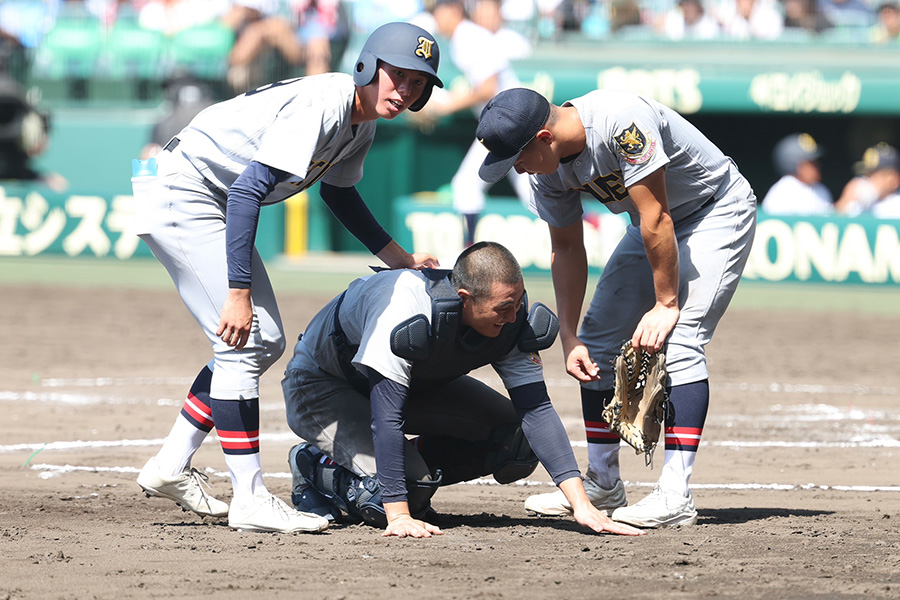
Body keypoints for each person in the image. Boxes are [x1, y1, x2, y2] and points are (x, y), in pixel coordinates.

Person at [134, 21, 444, 534]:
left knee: (265, 339)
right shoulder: (326, 103)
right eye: (400, 75)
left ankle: (169, 466)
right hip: (184, 192)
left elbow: (338, 194)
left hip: (207, 197)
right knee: (245, 338)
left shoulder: (360, 123)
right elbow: (247, 191)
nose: (407, 90)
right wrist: (238, 293)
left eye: (419, 83)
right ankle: (250, 499)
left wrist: (398, 256)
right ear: (368, 65)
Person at [475, 88, 757, 528]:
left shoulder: (621, 121)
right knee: (599, 341)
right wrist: (569, 335)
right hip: (649, 224)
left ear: (545, 137)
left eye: (517, 157)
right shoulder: (546, 170)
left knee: (681, 338)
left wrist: (667, 303)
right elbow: (567, 247)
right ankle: (603, 483)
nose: (516, 167)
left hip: (714, 210)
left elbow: (658, 216)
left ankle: (675, 495)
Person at [281, 241, 645, 538]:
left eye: (518, 303)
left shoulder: (510, 317)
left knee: (515, 442)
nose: (514, 315)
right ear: (464, 297)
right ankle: (314, 463)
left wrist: (582, 504)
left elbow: (536, 410)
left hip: (412, 388)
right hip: (322, 387)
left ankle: (407, 470)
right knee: (404, 492)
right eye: (504, 307)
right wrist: (399, 514)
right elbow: (386, 417)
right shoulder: (408, 309)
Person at [411, 0, 532, 248]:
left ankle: (470, 251)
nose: (437, 19)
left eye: (439, 12)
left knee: (467, 185)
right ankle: (581, 227)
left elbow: (488, 88)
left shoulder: (468, 37)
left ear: (454, 10)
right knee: (532, 191)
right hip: (509, 118)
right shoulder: (464, 38)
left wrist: (446, 106)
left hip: (506, 118)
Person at [762, 133, 834, 216]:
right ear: (793, 164)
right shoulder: (782, 193)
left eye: (816, 162)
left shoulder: (821, 190)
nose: (816, 166)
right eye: (810, 162)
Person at [835, 143, 900, 216]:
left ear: (893, 178)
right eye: (866, 174)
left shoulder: (896, 204)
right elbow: (835, 220)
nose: (867, 178)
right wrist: (847, 199)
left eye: (873, 174)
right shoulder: (861, 200)